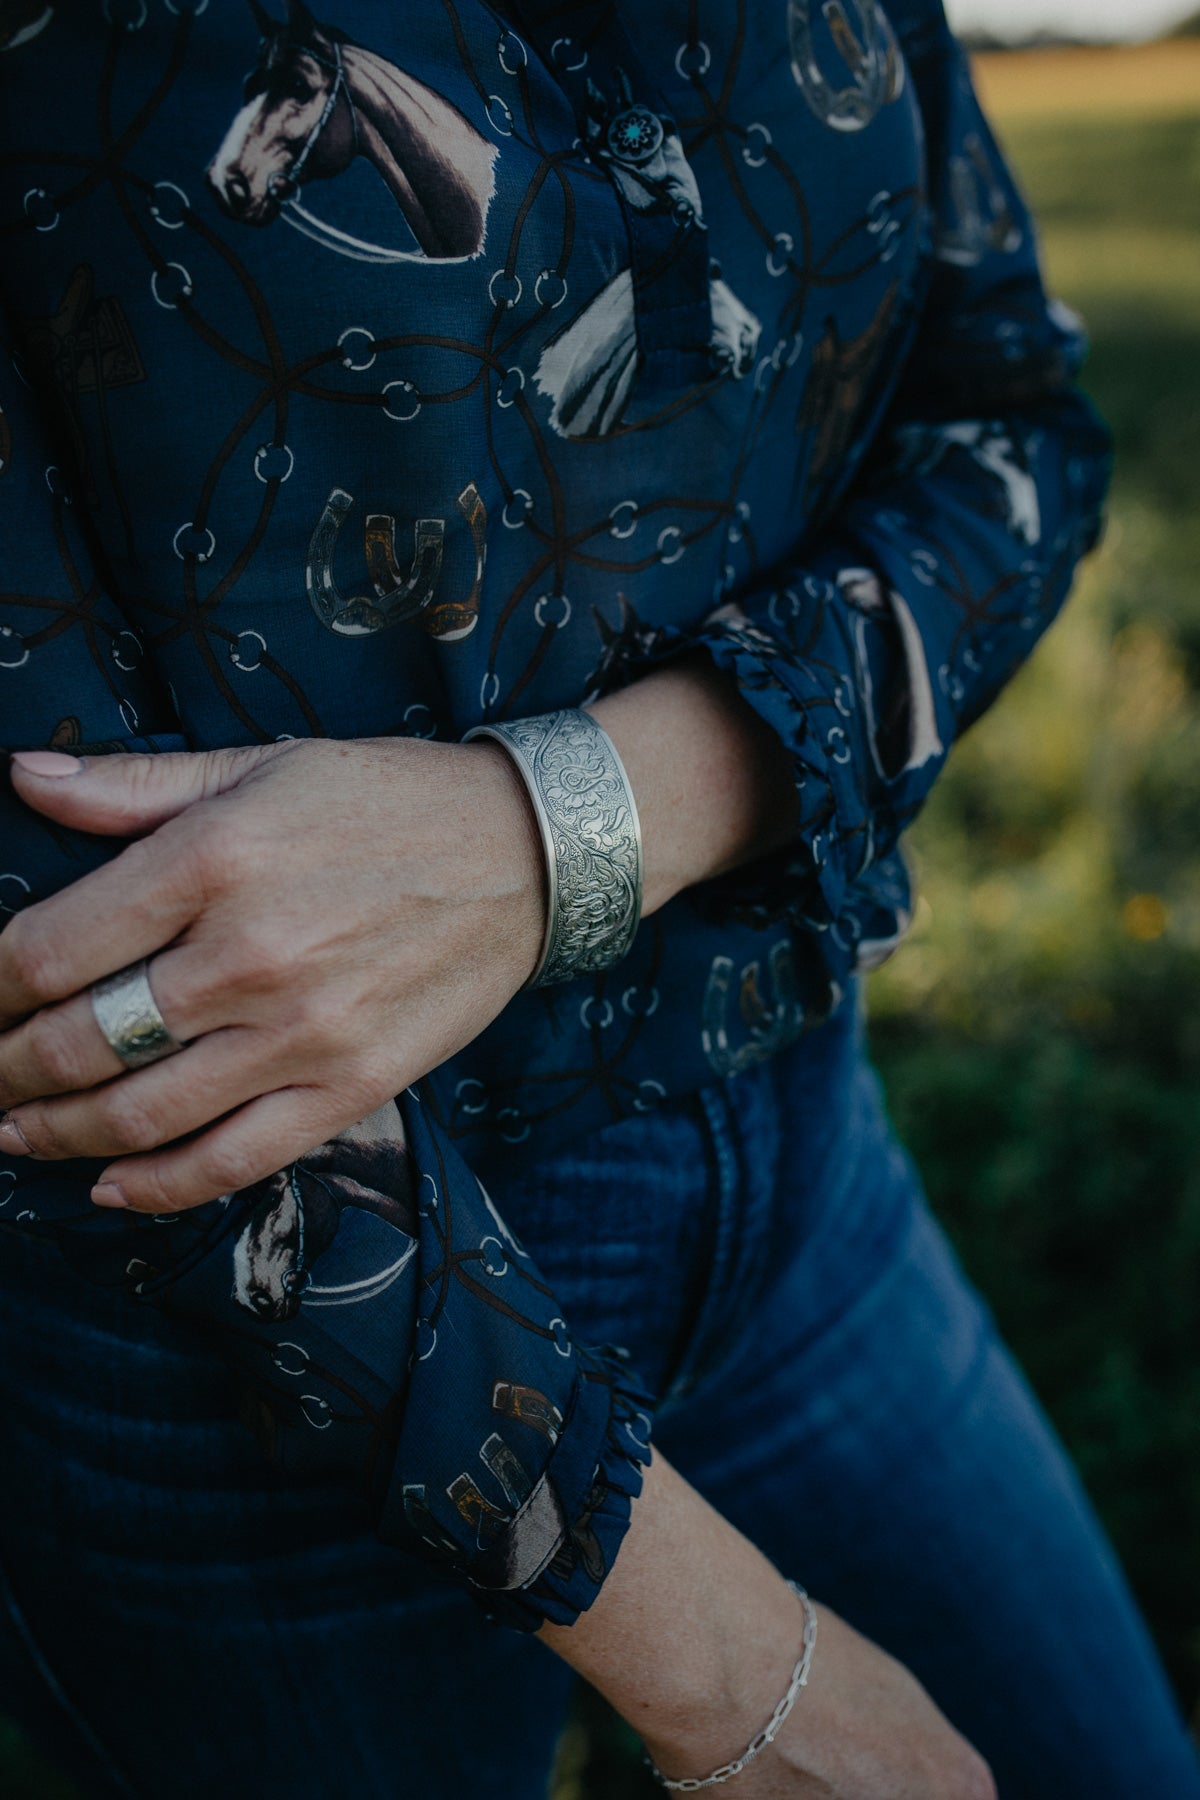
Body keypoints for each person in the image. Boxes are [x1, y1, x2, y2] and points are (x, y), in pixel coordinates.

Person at [0, 1, 1196, 1795]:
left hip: (804, 1188)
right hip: (250, 1358)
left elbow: (1013, 435)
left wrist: (562, 823)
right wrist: (739, 1675)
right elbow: (63, 971)